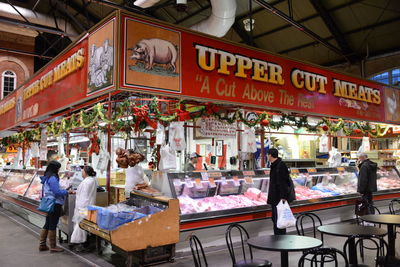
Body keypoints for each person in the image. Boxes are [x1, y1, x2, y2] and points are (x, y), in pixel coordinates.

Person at [39, 160, 68, 252]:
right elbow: (57, 192)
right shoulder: (53, 178)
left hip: (48, 203)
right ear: (55, 168)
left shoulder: (47, 177)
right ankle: (53, 246)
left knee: (47, 224)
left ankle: (42, 244)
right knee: (52, 225)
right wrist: (67, 191)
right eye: (58, 168)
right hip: (54, 203)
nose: (59, 170)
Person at [70, 166, 98, 251]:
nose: (82, 173)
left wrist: (80, 208)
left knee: (81, 225)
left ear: (86, 172)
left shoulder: (86, 182)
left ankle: (81, 243)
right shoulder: (92, 180)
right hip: (88, 205)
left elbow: (84, 195)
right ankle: (83, 243)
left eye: (82, 171)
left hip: (83, 206)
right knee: (84, 225)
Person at [267, 148, 291, 235]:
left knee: (280, 219)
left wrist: (283, 197)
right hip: (275, 197)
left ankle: (280, 239)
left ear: (270, 155)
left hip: (279, 198)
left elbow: (284, 182)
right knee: (275, 219)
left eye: (267, 155)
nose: (267, 156)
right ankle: (277, 237)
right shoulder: (274, 165)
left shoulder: (281, 165)